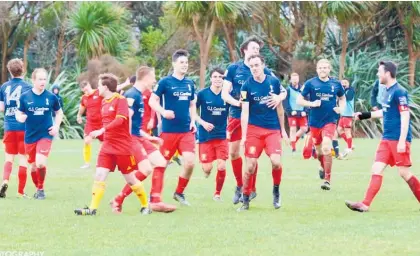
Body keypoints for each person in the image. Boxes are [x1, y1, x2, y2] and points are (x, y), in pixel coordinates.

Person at [345, 61, 420, 212]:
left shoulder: (399, 91)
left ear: (387, 73)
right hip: (386, 139)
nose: (377, 74)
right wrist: (364, 115)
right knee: (376, 169)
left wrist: (401, 141)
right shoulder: (386, 91)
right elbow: (384, 112)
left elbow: (405, 116)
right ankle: (365, 204)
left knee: (404, 173)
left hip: (398, 139)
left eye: (379, 71)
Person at [74, 73, 151, 216]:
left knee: (130, 179)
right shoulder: (104, 101)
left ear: (105, 87)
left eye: (99, 85)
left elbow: (120, 120)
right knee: (99, 174)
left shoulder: (120, 100)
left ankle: (146, 205)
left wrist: (102, 130)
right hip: (107, 146)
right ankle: (92, 209)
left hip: (122, 147)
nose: (97, 88)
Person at [221, 35, 286, 204]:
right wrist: (240, 104)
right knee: (234, 153)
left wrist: (279, 98)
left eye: (258, 50)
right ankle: (240, 185)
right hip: (238, 115)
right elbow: (224, 94)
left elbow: (281, 91)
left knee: (252, 156)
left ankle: (249, 190)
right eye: (253, 49)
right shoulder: (234, 69)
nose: (256, 51)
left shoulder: (266, 73)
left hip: (257, 120)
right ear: (244, 50)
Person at [110, 66, 176, 213]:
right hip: (131, 139)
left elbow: (134, 125)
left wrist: (149, 137)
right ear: (145, 78)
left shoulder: (139, 95)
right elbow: (125, 119)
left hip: (139, 137)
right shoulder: (132, 95)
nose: (154, 80)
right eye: (153, 77)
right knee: (145, 169)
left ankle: (156, 200)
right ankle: (118, 199)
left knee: (161, 162)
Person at [237, 54, 285, 211]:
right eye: (251, 66)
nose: (254, 69)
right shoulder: (246, 86)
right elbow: (244, 112)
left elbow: (280, 106)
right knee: (250, 166)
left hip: (272, 129)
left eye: (257, 65)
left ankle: (276, 191)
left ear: (263, 65)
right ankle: (245, 199)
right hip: (253, 130)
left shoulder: (273, 82)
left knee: (276, 162)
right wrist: (244, 136)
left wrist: (283, 130)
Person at [149, 49, 197, 206]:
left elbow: (192, 104)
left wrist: (193, 120)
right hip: (168, 132)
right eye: (182, 62)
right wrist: (163, 112)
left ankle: (179, 192)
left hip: (186, 132)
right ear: (174, 64)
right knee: (161, 164)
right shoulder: (165, 82)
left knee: (190, 162)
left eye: (186, 62)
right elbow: (152, 101)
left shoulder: (190, 83)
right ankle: (154, 196)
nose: (185, 65)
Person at [297, 59, 346, 191]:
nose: (322, 70)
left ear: (329, 69)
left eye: (325, 68)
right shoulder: (310, 83)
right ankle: (322, 166)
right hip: (314, 122)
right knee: (319, 151)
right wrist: (312, 104)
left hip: (330, 121)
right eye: (320, 68)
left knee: (326, 147)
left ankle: (327, 180)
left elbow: (342, 98)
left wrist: (341, 108)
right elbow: (299, 100)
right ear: (317, 69)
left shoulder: (336, 84)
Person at [15, 68, 64, 200]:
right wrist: (20, 117)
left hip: (46, 134)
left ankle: (41, 189)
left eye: (44, 79)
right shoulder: (25, 97)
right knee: (33, 166)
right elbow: (18, 112)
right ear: (33, 80)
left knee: (40, 163)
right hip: (30, 136)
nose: (43, 82)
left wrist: (56, 126)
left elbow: (59, 113)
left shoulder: (51, 97)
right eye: (40, 79)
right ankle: (38, 189)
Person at [0, 59, 32, 198]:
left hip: (9, 127)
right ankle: (20, 192)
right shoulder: (28, 87)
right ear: (22, 69)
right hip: (23, 128)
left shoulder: (4, 87)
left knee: (9, 159)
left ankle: (5, 181)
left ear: (9, 71)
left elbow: (1, 108)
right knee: (23, 159)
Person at [196, 68, 229, 201]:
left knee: (221, 165)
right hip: (205, 136)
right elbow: (193, 111)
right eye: (215, 76)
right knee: (207, 168)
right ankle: (206, 171)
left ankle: (217, 193)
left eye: (221, 77)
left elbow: (236, 109)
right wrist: (202, 123)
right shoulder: (203, 94)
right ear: (211, 78)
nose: (218, 79)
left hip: (221, 135)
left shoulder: (227, 95)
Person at [77, 80, 104, 169]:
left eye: (87, 89)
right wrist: (79, 116)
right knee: (87, 141)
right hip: (90, 123)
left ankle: (100, 163)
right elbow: (82, 107)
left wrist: (125, 84)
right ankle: (87, 163)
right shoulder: (84, 98)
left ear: (89, 85)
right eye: (84, 91)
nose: (86, 92)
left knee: (103, 143)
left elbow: (112, 90)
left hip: (101, 123)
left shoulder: (99, 92)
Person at [283, 72, 308, 153]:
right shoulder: (288, 90)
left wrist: (305, 111)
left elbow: (307, 100)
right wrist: (290, 111)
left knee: (304, 129)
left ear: (298, 79)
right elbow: (285, 102)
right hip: (292, 113)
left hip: (302, 112)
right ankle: (293, 148)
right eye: (293, 79)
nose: (295, 81)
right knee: (293, 129)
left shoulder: (303, 89)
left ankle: (293, 141)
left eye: (296, 79)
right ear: (290, 80)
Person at [337, 78, 355, 158]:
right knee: (339, 130)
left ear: (348, 84)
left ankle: (349, 148)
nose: (344, 84)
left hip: (348, 114)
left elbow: (348, 98)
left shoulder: (351, 90)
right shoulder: (341, 91)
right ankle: (350, 144)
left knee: (347, 131)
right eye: (342, 83)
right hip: (343, 114)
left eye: (345, 82)